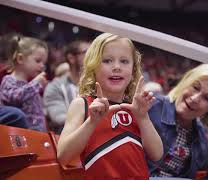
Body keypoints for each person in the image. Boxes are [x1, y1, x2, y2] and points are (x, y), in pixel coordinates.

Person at [57, 33, 163, 179]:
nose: (117, 67)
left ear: (133, 71)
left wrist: (143, 118)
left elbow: (157, 154)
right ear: (93, 67)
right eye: (107, 61)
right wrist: (92, 121)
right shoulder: (82, 104)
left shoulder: (136, 107)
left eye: (124, 61)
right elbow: (63, 156)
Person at [148, 64, 208, 178]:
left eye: (206, 98)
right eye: (195, 87)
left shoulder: (201, 139)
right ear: (186, 82)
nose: (195, 99)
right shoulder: (150, 106)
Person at [0, 35, 48, 132]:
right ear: (20, 59)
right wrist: (35, 84)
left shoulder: (30, 84)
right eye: (38, 61)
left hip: (37, 133)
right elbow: (14, 98)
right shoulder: (9, 80)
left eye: (44, 63)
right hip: (20, 135)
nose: (42, 66)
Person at [43, 40, 91, 134]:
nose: (94, 57)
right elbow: (59, 118)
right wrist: (93, 121)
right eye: (87, 52)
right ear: (71, 58)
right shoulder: (55, 87)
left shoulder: (99, 84)